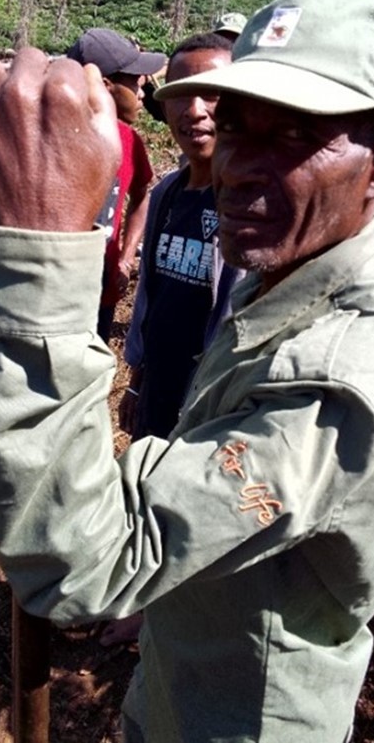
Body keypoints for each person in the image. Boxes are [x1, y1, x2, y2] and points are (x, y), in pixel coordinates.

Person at [0, 0, 374, 743]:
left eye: (295, 136)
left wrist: (36, 257)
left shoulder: (340, 377)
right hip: (180, 670)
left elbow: (83, 560)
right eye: (237, 126)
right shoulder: (283, 276)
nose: (239, 164)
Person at [120, 31, 238, 441]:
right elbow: (150, 298)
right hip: (159, 392)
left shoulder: (252, 207)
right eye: (180, 94)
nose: (195, 111)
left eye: (213, 94)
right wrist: (137, 381)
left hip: (213, 407)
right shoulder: (166, 193)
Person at [67, 28, 167, 341]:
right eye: (135, 83)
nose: (141, 93)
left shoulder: (129, 141)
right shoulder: (52, 143)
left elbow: (141, 196)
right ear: (105, 85)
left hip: (102, 288)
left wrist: (124, 259)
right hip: (55, 297)